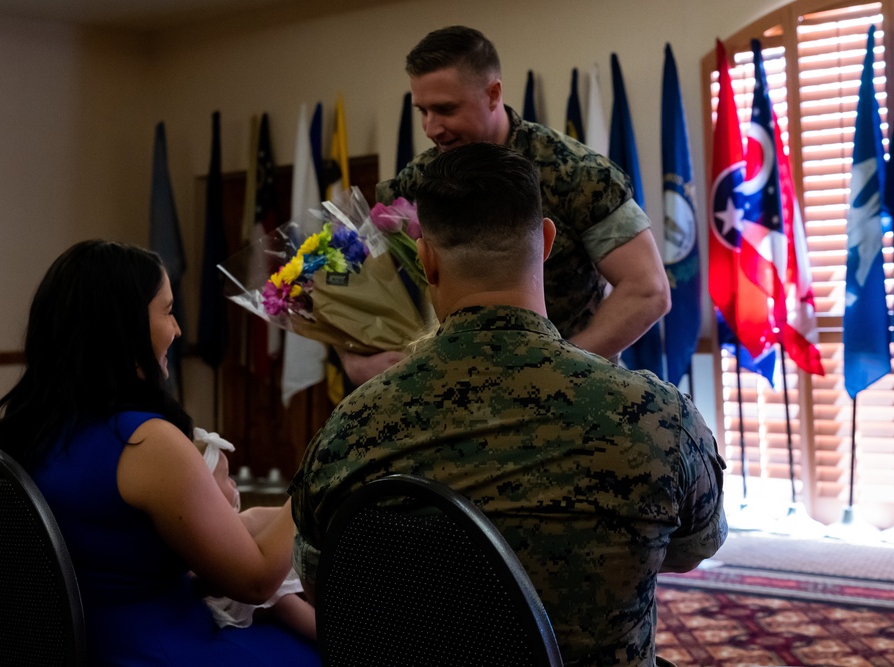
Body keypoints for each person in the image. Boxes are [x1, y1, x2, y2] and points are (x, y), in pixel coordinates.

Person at [290, 143, 726, 667]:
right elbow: (691, 549)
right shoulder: (657, 419)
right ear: (545, 242)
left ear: (426, 258)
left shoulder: (351, 429)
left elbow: (324, 588)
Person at [0, 240, 319, 666]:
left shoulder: (35, 431)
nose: (178, 329)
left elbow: (116, 561)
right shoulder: (145, 442)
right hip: (162, 651)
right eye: (167, 311)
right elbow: (256, 581)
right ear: (124, 326)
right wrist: (316, 478)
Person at [338, 25, 670, 386]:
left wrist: (556, 368)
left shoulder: (577, 174)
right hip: (452, 395)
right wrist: (352, 359)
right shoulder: (416, 182)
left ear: (493, 93)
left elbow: (647, 290)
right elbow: (345, 277)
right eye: (423, 111)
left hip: (569, 399)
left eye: (445, 109)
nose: (432, 128)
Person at [193, 428, 316, 641]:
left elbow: (257, 517)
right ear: (208, 491)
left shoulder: (224, 522)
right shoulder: (201, 534)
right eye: (226, 477)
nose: (234, 483)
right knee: (283, 600)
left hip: (247, 583)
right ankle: (336, 638)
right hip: (235, 596)